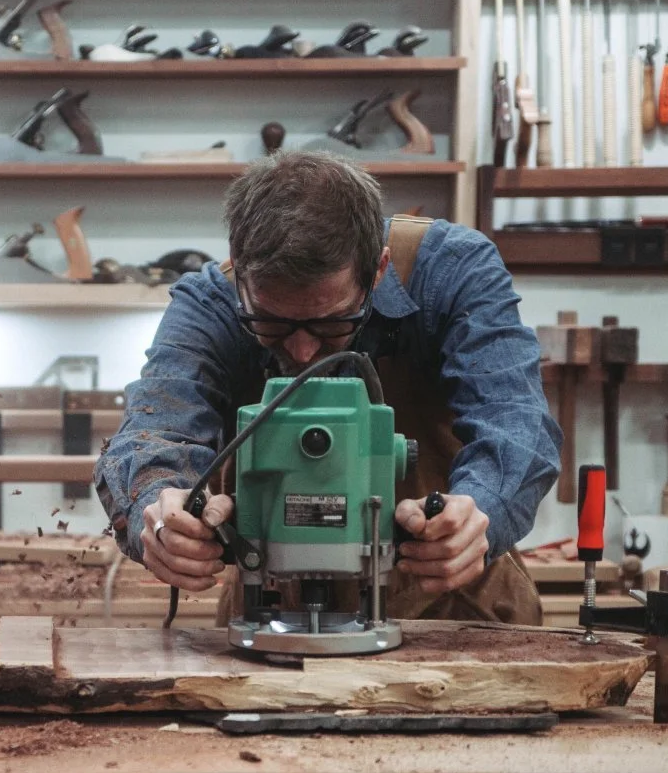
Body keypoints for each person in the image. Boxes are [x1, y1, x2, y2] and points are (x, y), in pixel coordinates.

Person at [94, 151, 563, 624]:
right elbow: (154, 431)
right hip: (271, 611)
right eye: (271, 322)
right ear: (241, 273)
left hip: (453, 604)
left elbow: (515, 421)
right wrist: (161, 511)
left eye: (332, 322)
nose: (302, 351)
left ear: (377, 271)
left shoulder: (452, 271)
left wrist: (478, 513)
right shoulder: (209, 303)